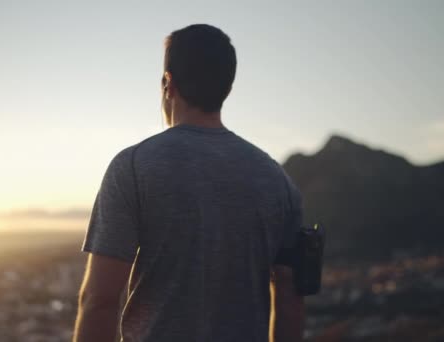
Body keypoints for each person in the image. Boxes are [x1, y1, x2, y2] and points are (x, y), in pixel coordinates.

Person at [73, 24, 305, 342]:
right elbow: (290, 295)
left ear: (168, 84)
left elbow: (100, 302)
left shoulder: (133, 167)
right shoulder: (278, 181)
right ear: (226, 88)